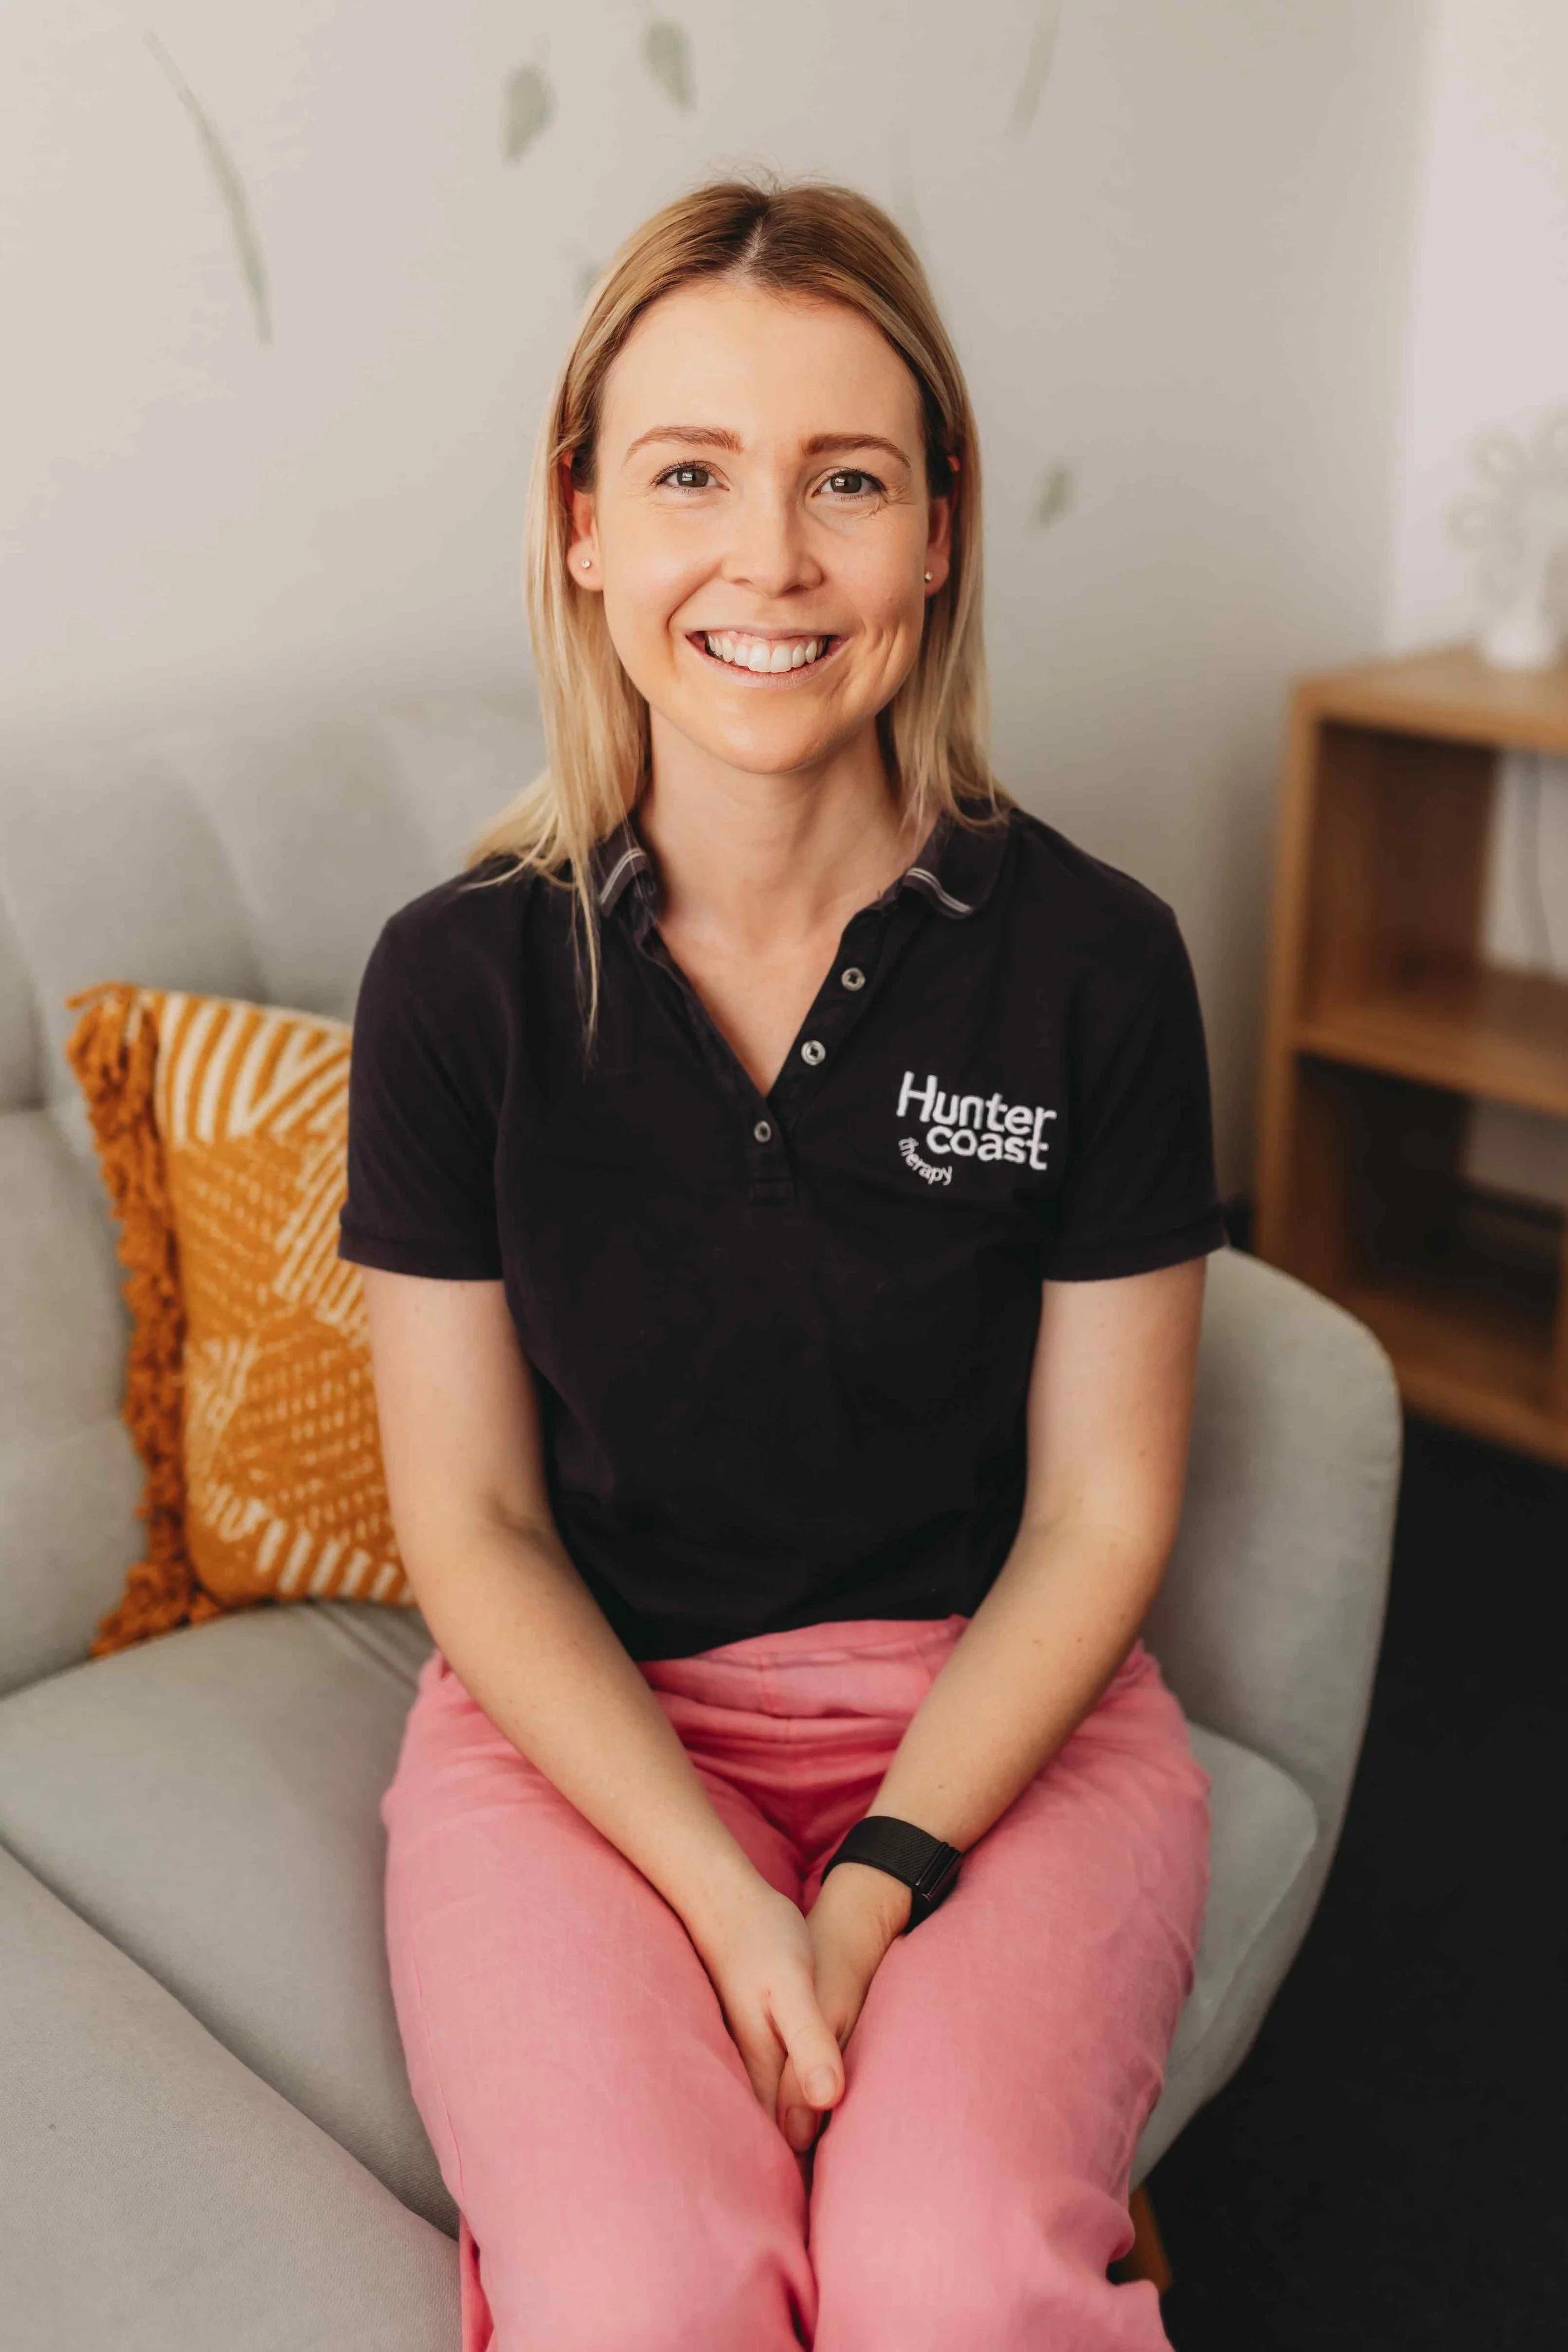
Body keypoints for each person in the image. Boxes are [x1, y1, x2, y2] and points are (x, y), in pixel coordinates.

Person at [337, 171, 1227, 2352]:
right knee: (644, 2291)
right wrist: (726, 1898)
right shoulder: (454, 983)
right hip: (588, 1733)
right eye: (688, 476)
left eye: (845, 477)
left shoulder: (1098, 963)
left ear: (938, 528)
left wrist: (877, 1880)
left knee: (951, 2280)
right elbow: (472, 1523)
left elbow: (1101, 1510)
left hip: (993, 1712)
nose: (770, 558)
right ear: (580, 523)